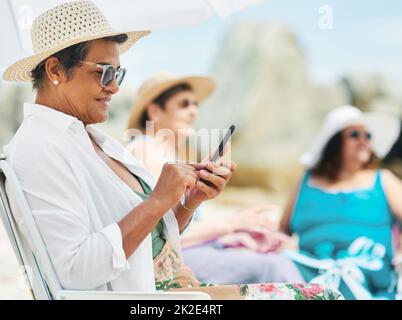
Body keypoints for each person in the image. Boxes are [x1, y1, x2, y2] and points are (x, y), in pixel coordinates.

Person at [2, 1, 341, 299]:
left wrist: (188, 202)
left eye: (118, 72)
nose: (115, 86)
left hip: (172, 287)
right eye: (104, 72)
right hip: (153, 299)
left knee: (323, 291)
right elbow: (76, 271)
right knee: (322, 295)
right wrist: (158, 200)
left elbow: (147, 243)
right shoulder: (41, 148)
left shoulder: (88, 139)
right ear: (56, 69)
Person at [125, 72, 306, 285]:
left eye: (196, 104)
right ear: (155, 111)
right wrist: (233, 223)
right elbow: (163, 232)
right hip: (173, 257)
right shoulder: (147, 149)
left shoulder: (168, 156)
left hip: (187, 251)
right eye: (184, 104)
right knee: (275, 266)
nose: (194, 111)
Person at [280, 105, 402, 299]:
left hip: (367, 270)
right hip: (311, 269)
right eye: (355, 135)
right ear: (335, 142)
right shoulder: (305, 181)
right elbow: (283, 230)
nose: (364, 141)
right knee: (273, 264)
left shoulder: (383, 180)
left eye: (367, 136)